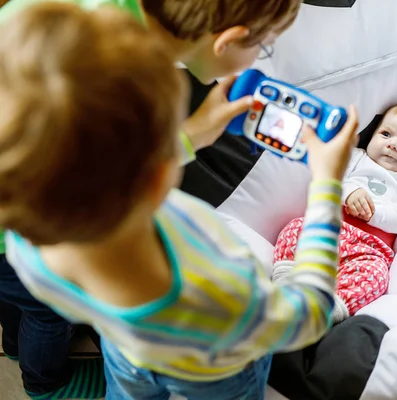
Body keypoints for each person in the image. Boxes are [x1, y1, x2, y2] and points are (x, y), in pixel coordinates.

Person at [0, 3, 360, 399]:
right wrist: (326, 188)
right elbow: (307, 314)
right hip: (216, 372)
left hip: (126, 352)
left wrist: (194, 135)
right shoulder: (208, 285)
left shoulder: (28, 247)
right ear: (157, 176)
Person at [273, 104, 397, 323]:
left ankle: (332, 307)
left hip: (369, 250)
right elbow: (330, 173)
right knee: (296, 227)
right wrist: (350, 191)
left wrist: (375, 213)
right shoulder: (356, 158)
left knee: (377, 275)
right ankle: (286, 282)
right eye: (386, 134)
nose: (393, 145)